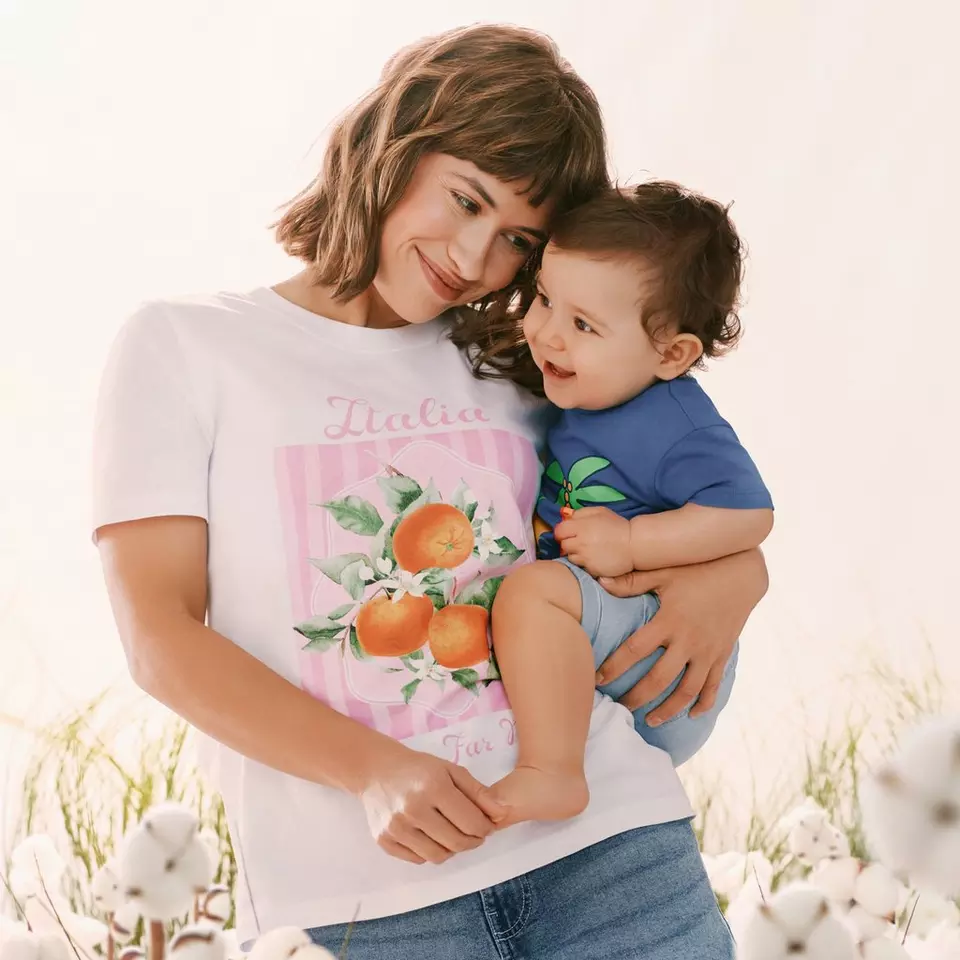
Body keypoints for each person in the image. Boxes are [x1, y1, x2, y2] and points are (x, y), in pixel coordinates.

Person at [92, 24, 768, 960]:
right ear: (394, 141)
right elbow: (160, 638)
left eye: (516, 240)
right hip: (372, 895)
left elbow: (688, 501)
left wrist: (740, 575)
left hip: (614, 849)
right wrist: (373, 772)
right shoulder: (184, 347)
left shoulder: (528, 362)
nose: (474, 255)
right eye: (465, 198)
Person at [488, 182, 774, 826]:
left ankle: (552, 774)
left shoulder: (678, 426)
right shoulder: (581, 388)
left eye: (583, 325)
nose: (546, 334)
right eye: (544, 300)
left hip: (662, 661)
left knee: (531, 594)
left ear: (672, 354)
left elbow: (750, 517)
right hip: (605, 638)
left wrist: (632, 544)